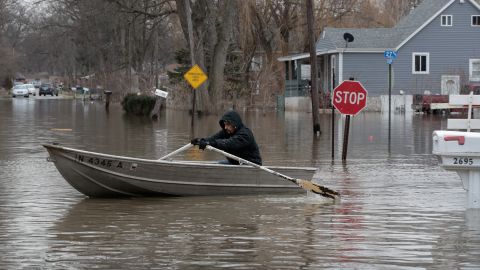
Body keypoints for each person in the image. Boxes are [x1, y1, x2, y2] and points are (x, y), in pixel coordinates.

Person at [191, 110, 262, 165]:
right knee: (217, 164)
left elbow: (229, 144)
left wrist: (209, 143)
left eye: (228, 125)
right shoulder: (227, 131)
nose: (225, 127)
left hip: (251, 165)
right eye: (224, 125)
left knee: (218, 167)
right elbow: (213, 139)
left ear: (235, 124)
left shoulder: (245, 135)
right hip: (236, 163)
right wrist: (200, 140)